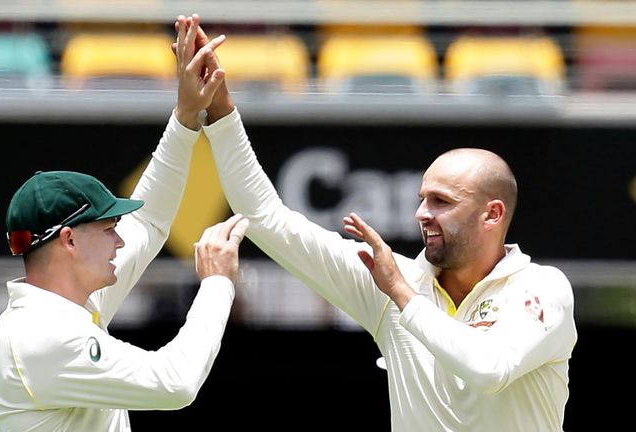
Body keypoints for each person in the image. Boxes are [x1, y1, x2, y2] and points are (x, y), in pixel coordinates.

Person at [178, 17, 577, 431]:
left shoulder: (542, 288)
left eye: (442, 201)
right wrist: (220, 109)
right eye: (422, 199)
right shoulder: (392, 280)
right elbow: (262, 216)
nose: (422, 213)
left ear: (492, 214)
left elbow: (490, 369)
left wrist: (402, 293)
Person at [0, 16, 249, 432]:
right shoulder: (41, 336)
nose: (120, 243)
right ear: (68, 240)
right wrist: (217, 284)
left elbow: (148, 219)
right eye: (109, 230)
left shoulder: (71, 304)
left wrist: (186, 114)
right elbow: (176, 384)